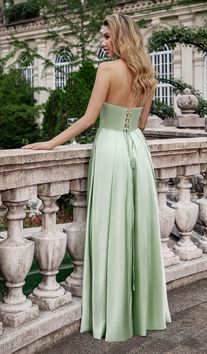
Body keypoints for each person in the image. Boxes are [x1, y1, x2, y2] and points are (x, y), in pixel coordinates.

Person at [22, 13, 171, 342]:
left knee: (112, 228)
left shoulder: (107, 70)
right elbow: (142, 125)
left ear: (120, 37)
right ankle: (142, 311)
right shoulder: (148, 74)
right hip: (136, 149)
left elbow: (89, 119)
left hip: (111, 151)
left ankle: (112, 313)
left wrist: (50, 142)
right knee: (137, 231)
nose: (102, 43)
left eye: (106, 36)